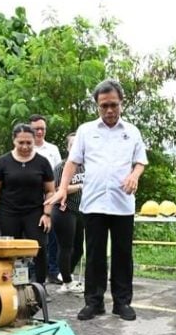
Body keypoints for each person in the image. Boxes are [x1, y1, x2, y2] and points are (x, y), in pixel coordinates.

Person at [51, 80, 148, 322]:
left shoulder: (132, 131)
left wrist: (134, 175)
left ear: (121, 103)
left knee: (122, 254)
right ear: (97, 106)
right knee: (94, 254)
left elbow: (141, 161)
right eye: (104, 106)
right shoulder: (86, 131)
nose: (109, 110)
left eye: (113, 105)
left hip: (122, 203)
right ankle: (93, 302)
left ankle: (122, 302)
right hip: (93, 202)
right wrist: (62, 189)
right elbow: (72, 162)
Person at [0, 123, 55, 283]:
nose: (25, 146)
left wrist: (47, 214)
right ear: (13, 141)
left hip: (35, 212)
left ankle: (39, 285)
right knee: (10, 249)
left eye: (29, 143)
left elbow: (50, 191)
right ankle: (11, 284)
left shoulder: (42, 162)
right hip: (8, 212)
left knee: (39, 247)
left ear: (34, 141)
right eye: (21, 142)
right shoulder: (3, 162)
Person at [30, 114, 63, 283]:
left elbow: (59, 174)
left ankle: (53, 270)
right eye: (36, 129)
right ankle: (32, 272)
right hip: (31, 199)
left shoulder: (52, 149)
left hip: (51, 197)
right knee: (33, 237)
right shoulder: (26, 148)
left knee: (52, 237)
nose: (40, 132)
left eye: (42, 128)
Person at [52, 132, 86, 294]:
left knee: (79, 248)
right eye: (72, 145)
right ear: (67, 147)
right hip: (64, 209)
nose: (75, 148)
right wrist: (80, 186)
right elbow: (58, 189)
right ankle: (66, 281)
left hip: (81, 210)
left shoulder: (86, 166)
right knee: (66, 247)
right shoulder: (61, 166)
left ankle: (66, 274)